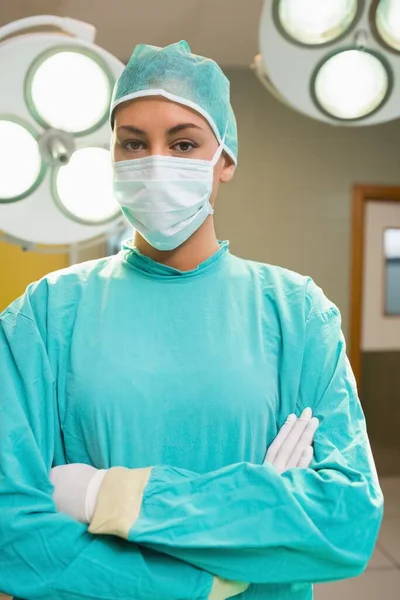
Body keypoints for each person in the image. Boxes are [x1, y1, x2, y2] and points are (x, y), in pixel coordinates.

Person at [0, 41, 383, 600]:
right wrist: (231, 552)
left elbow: (344, 520)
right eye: (133, 143)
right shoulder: (46, 314)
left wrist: (110, 497)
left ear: (224, 159)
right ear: (110, 158)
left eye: (183, 143)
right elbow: (10, 524)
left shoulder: (297, 313)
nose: (155, 161)